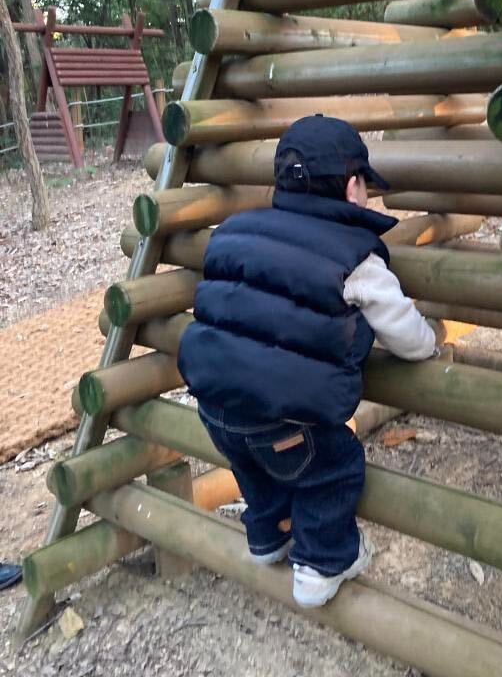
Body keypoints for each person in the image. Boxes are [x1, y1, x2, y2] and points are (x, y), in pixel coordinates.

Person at [178, 115, 440, 608]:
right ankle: (323, 564)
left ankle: (268, 537)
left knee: (256, 470)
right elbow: (404, 332)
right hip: (286, 419)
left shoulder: (234, 231)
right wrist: (429, 345)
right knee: (332, 470)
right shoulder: (356, 257)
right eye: (365, 187)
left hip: (214, 405)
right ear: (352, 187)